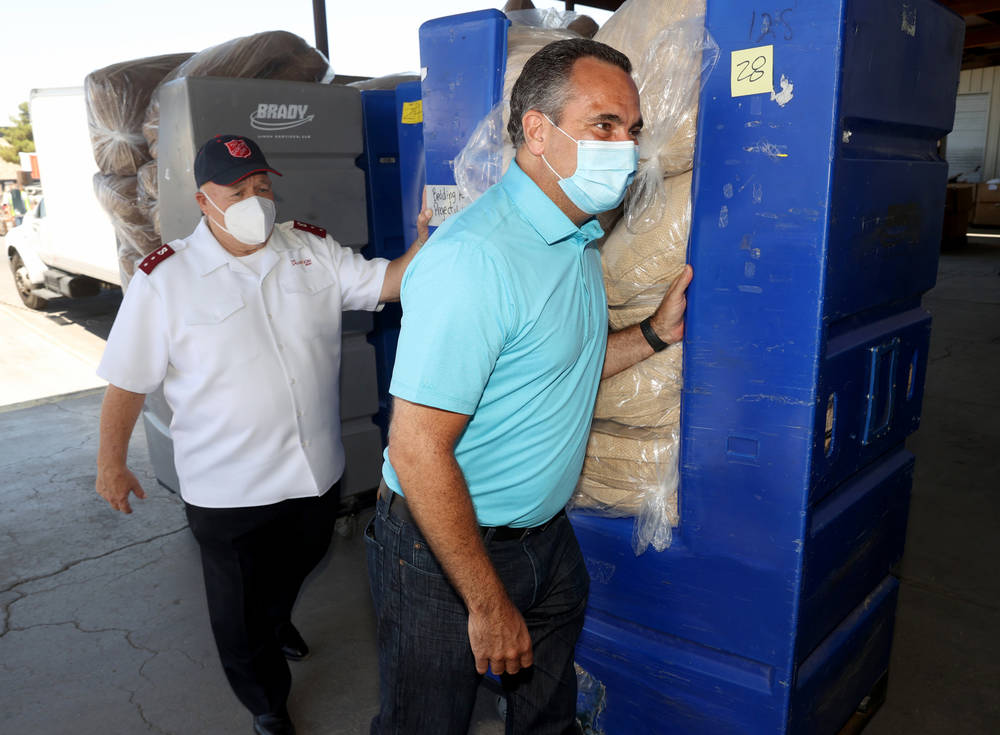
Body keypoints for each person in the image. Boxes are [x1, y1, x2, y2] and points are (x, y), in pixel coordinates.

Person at [366, 38, 692, 734]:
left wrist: (656, 335)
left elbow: (560, 365)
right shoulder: (476, 260)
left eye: (631, 130)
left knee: (548, 718)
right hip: (443, 549)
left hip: (545, 539)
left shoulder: (574, 239)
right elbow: (419, 448)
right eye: (604, 124)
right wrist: (484, 601)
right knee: (425, 724)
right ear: (538, 130)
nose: (625, 148)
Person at [95, 134, 429, 735]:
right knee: (239, 612)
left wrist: (430, 242)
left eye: (262, 187)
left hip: (313, 470)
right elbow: (126, 379)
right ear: (204, 201)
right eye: (238, 191)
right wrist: (111, 463)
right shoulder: (164, 279)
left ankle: (276, 618)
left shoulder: (310, 248)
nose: (256, 200)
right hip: (228, 488)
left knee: (306, 557)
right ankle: (266, 702)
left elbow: (387, 282)